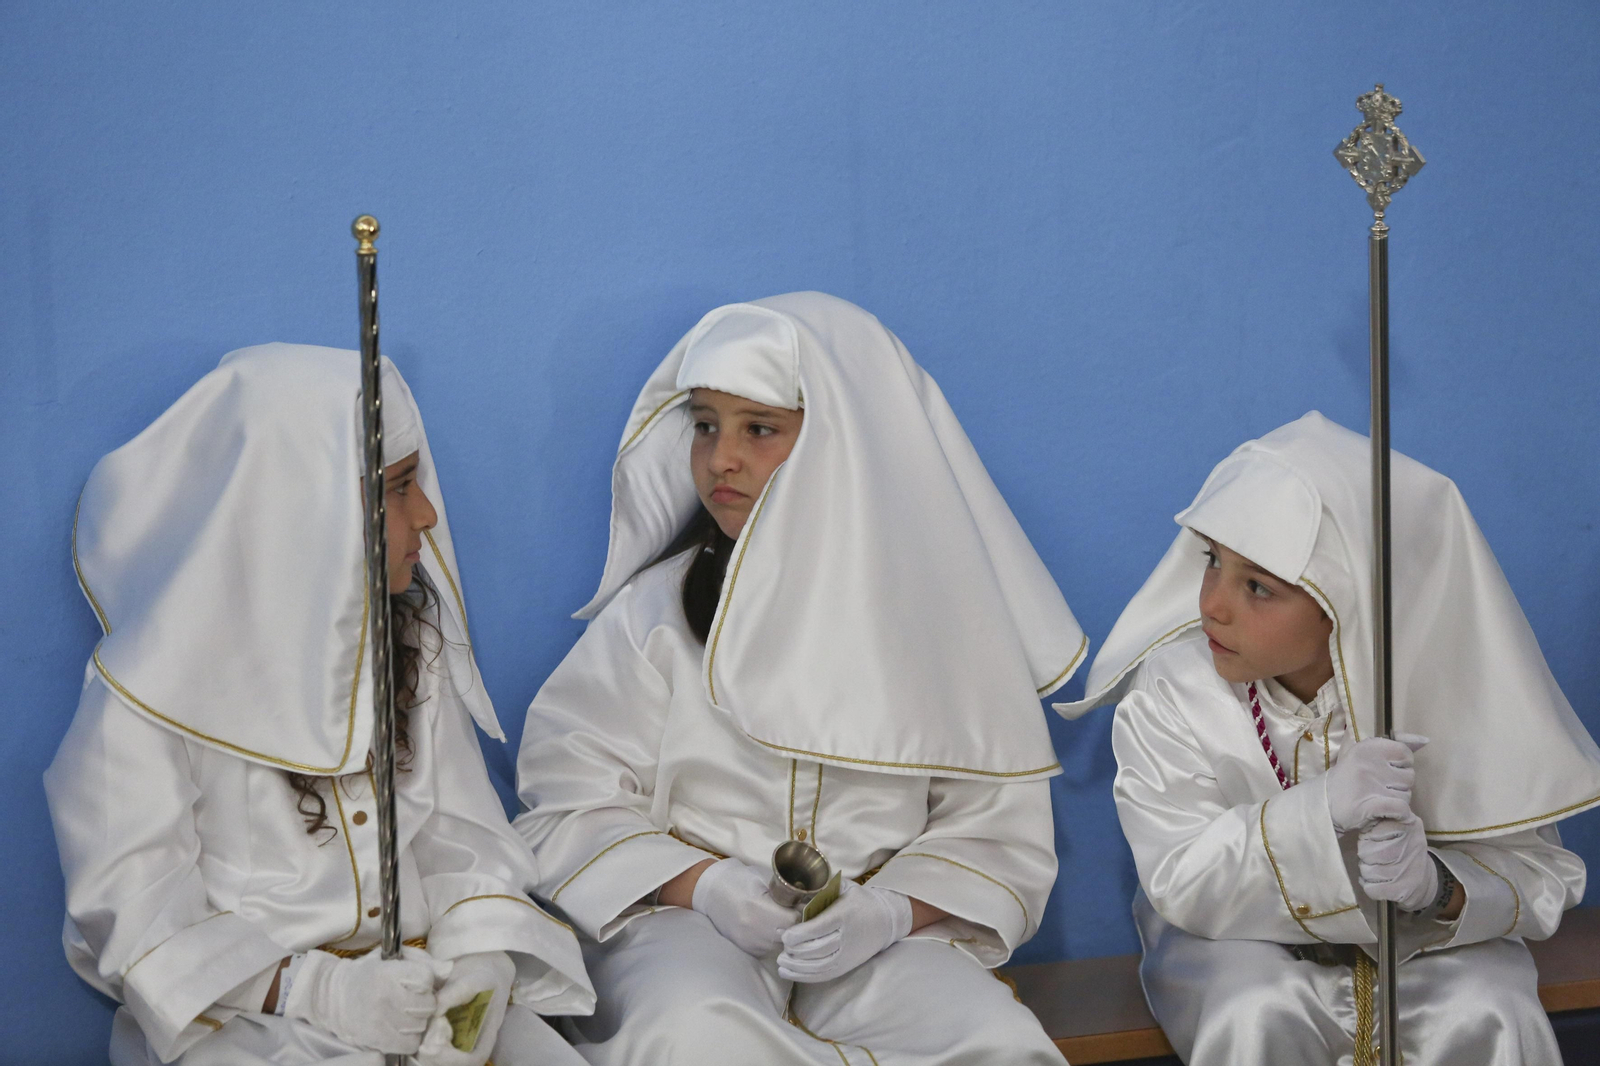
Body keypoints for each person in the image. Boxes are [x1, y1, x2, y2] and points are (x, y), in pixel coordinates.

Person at [515, 292, 1085, 1064]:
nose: (721, 458)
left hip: (874, 937)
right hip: (689, 927)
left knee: (997, 1041)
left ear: (845, 440)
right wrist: (703, 885)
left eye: (760, 429)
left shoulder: (943, 619)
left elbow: (995, 824)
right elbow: (570, 793)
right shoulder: (655, 614)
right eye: (706, 424)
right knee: (694, 1036)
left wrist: (888, 912)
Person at [46, 343, 594, 1066]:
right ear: (306, 506)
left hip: (423, 987)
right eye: (398, 488)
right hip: (245, 1023)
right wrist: (316, 991)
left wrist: (480, 960)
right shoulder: (146, 692)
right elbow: (133, 913)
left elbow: (462, 834)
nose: (427, 514)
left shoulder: (405, 635)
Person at [1056, 412, 1600, 1066]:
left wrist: (1441, 889)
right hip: (1232, 946)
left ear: (1346, 603)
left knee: (1487, 1008)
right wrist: (1319, 813)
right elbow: (1180, 875)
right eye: (1212, 563)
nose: (1213, 606)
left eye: (1258, 587)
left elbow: (1539, 877)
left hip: (1429, 950)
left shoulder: (1449, 684)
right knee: (1254, 1013)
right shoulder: (1174, 688)